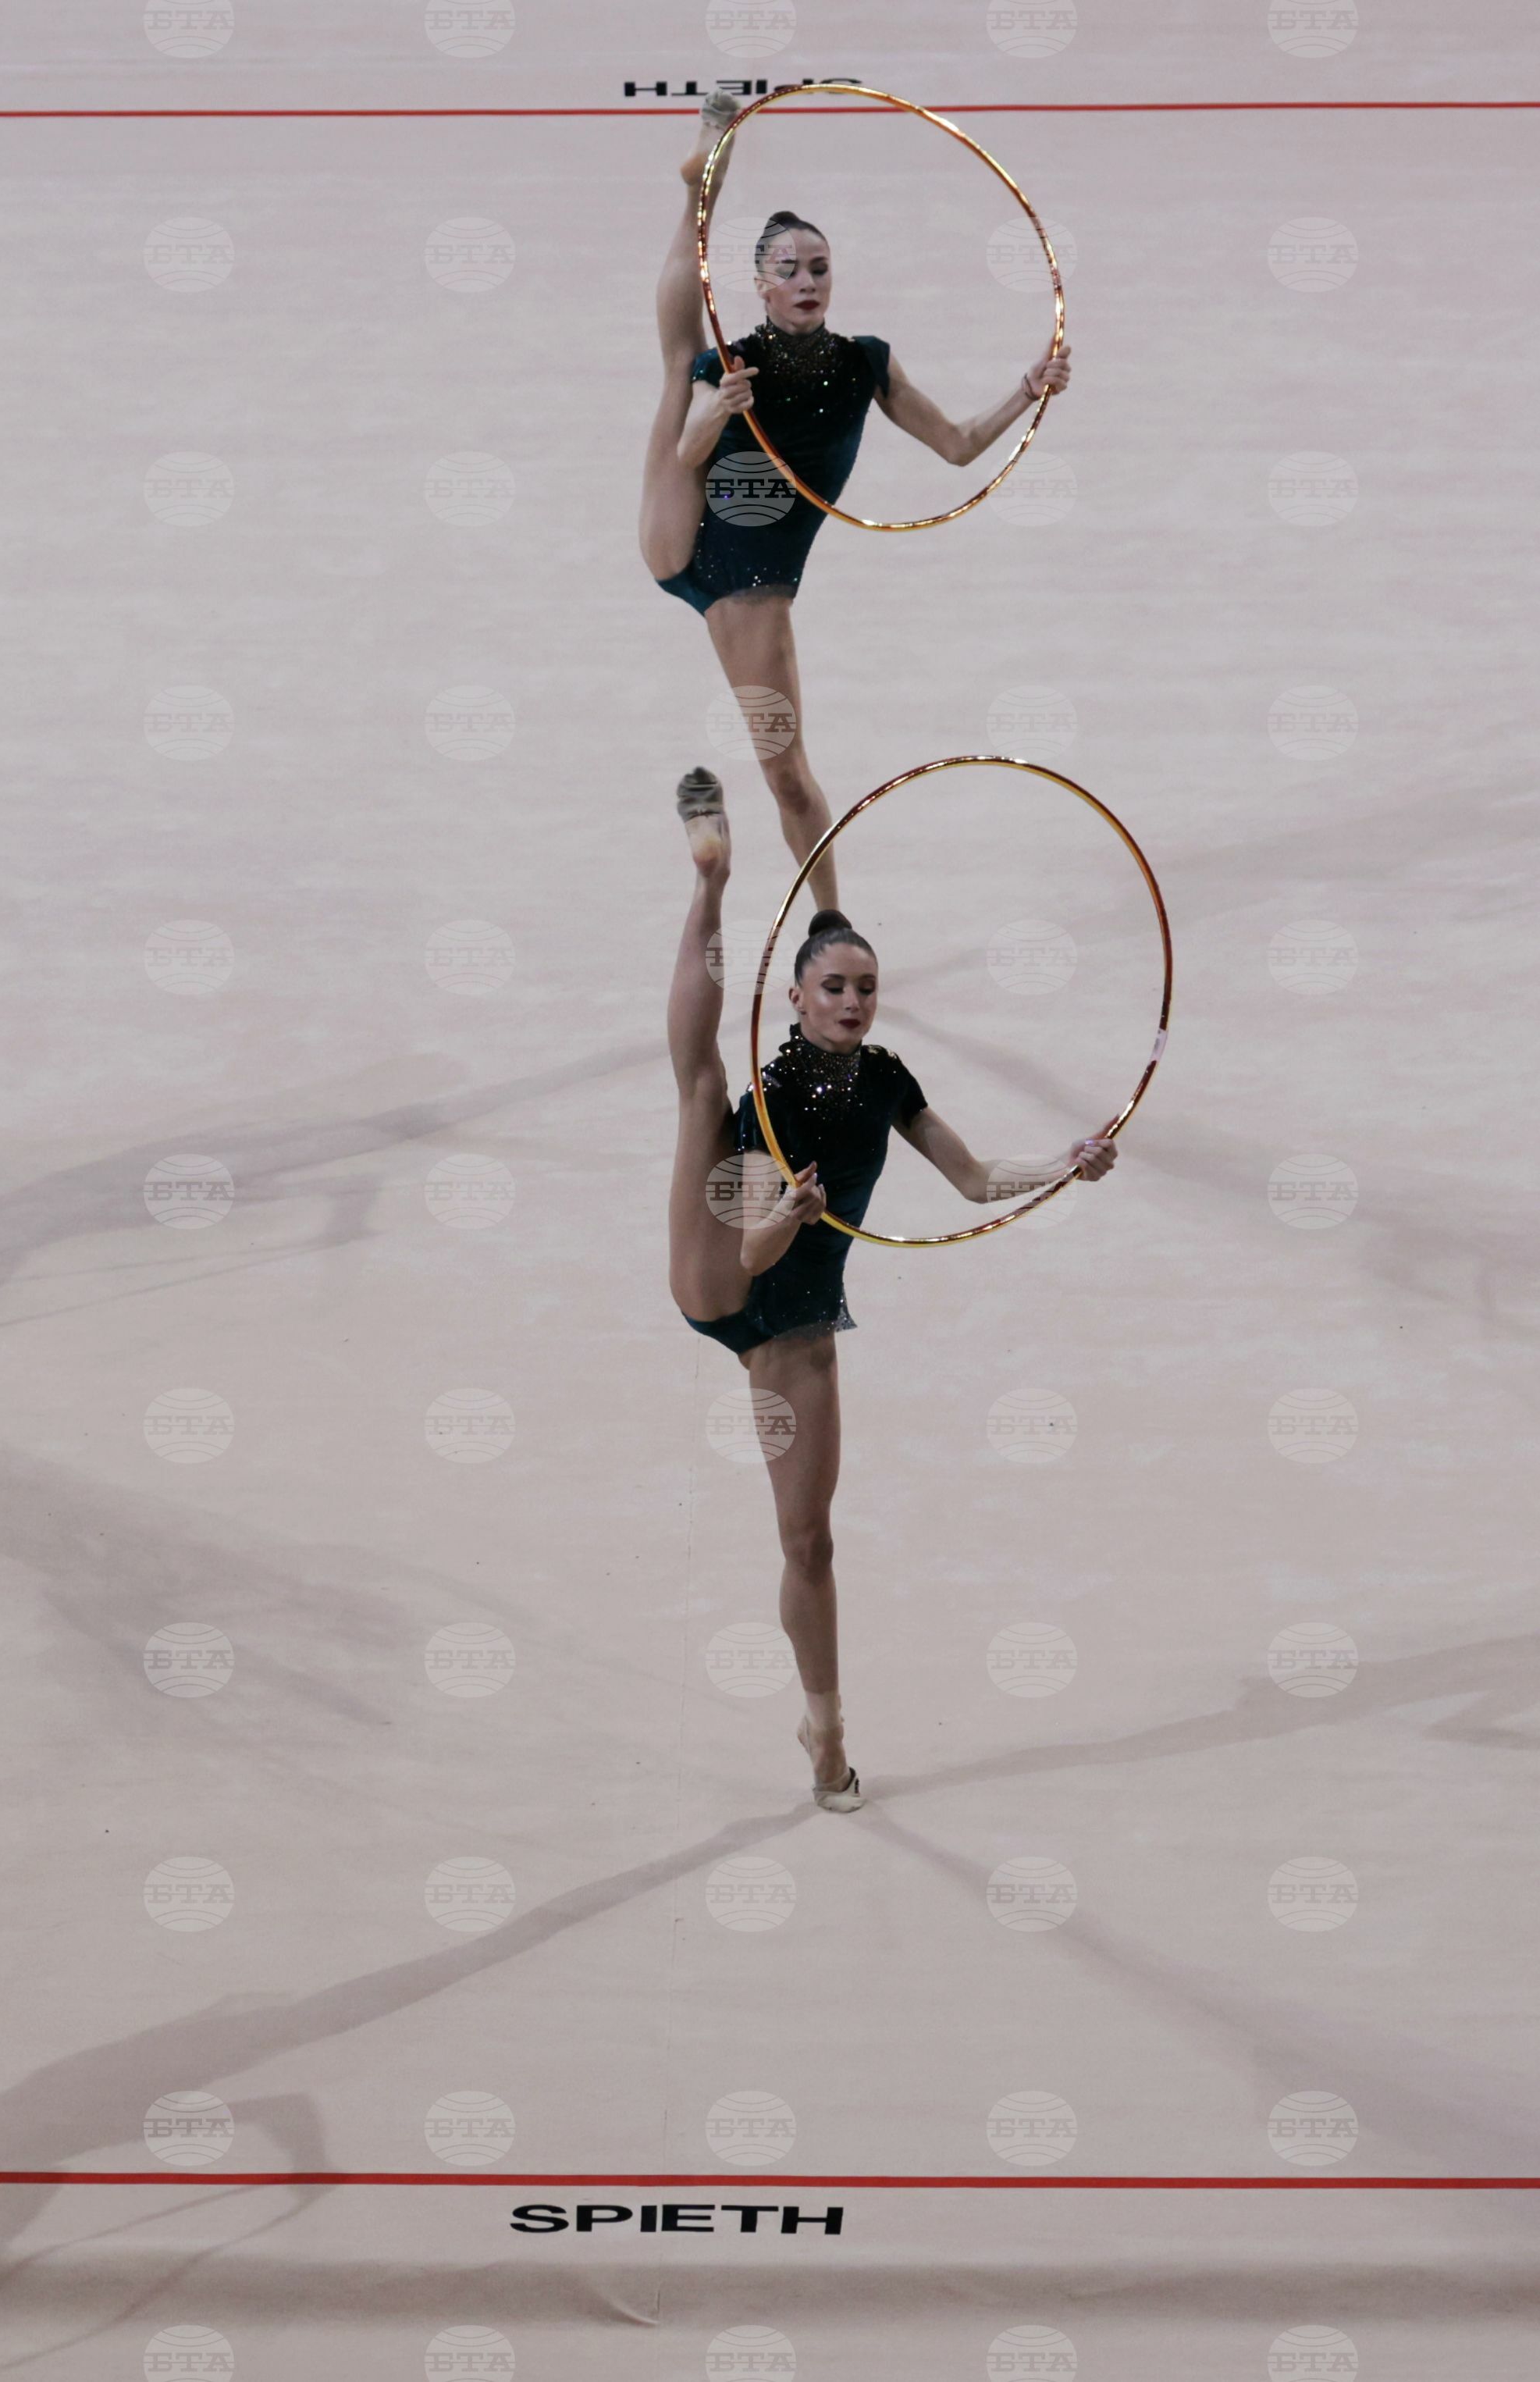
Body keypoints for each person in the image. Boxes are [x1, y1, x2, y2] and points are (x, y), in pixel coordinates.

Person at [659, 772, 1115, 1810]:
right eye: (833, 986)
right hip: (725, 1273)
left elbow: (971, 1180)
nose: (853, 1002)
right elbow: (752, 1255)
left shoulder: (887, 1080)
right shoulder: (773, 1097)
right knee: (697, 1083)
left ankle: (823, 1731)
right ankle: (710, 880)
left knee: (808, 1539)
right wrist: (788, 1213)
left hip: (796, 1319)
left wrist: (1062, 1164)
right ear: (795, 997)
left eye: (865, 987)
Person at [641, 91, 1073, 911]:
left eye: (819, 268)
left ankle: (826, 919)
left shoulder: (865, 362)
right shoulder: (732, 363)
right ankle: (701, 186)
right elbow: (686, 453)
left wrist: (1027, 390)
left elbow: (955, 445)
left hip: (752, 586)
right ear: (760, 286)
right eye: (788, 270)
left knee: (786, 774)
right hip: (686, 537)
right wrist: (719, 407)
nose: (807, 281)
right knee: (680, 362)